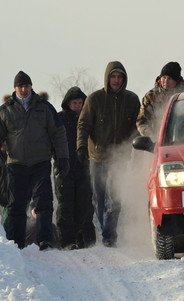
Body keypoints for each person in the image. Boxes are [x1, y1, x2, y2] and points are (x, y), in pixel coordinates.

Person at [0, 71, 69, 250]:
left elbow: (58, 133)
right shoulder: (5, 110)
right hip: (16, 164)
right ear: (15, 88)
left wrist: (62, 157)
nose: (24, 89)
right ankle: (17, 243)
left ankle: (45, 240)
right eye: (20, 86)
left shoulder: (44, 107)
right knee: (16, 206)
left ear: (31, 87)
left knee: (43, 203)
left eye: (27, 86)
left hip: (40, 162)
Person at [77, 61, 140, 247]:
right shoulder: (94, 99)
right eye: (113, 76)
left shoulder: (131, 99)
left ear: (124, 79)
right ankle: (106, 227)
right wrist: (81, 146)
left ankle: (109, 236)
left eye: (120, 77)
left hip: (119, 157)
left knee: (115, 198)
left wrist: (133, 146)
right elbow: (83, 124)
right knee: (99, 198)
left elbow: (136, 128)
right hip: (97, 156)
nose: (116, 80)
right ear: (107, 78)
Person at [55, 87, 96, 250]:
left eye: (80, 103)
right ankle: (66, 241)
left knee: (84, 204)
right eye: (75, 103)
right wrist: (58, 159)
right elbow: (52, 139)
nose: (78, 105)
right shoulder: (59, 119)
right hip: (63, 166)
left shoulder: (88, 118)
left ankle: (86, 240)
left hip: (84, 166)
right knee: (66, 205)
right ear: (68, 103)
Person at [136, 61, 184, 141]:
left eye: (170, 78)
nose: (166, 81)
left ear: (176, 80)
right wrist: (152, 137)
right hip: (155, 143)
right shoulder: (151, 97)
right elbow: (141, 122)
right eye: (164, 77)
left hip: (183, 141)